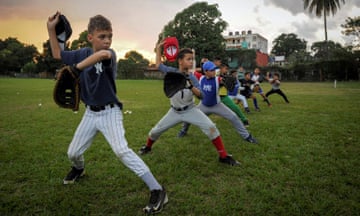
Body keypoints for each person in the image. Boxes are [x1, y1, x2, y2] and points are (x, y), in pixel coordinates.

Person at [47, 12, 167, 214]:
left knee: (121, 150)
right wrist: (51, 29)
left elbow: (102, 56)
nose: (107, 41)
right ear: (90, 37)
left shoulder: (109, 54)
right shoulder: (82, 53)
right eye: (102, 36)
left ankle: (157, 189)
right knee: (73, 153)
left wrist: (75, 69)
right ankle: (78, 169)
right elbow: (57, 54)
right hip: (90, 114)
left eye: (110, 36)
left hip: (110, 112)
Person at [139, 40, 240, 166]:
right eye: (188, 59)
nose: (191, 61)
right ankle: (148, 147)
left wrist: (190, 86)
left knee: (211, 128)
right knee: (155, 132)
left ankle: (223, 156)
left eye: (192, 59)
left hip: (190, 110)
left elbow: (202, 96)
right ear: (180, 61)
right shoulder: (172, 71)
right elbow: (158, 65)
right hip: (174, 111)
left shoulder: (192, 77)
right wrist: (158, 48)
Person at [178, 61, 258, 144]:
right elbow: (191, 71)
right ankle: (183, 131)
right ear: (205, 71)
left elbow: (222, 80)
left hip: (217, 105)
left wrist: (226, 81)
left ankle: (247, 136)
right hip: (203, 106)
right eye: (211, 70)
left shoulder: (217, 79)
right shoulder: (200, 78)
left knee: (233, 117)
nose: (214, 71)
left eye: (214, 69)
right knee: (188, 116)